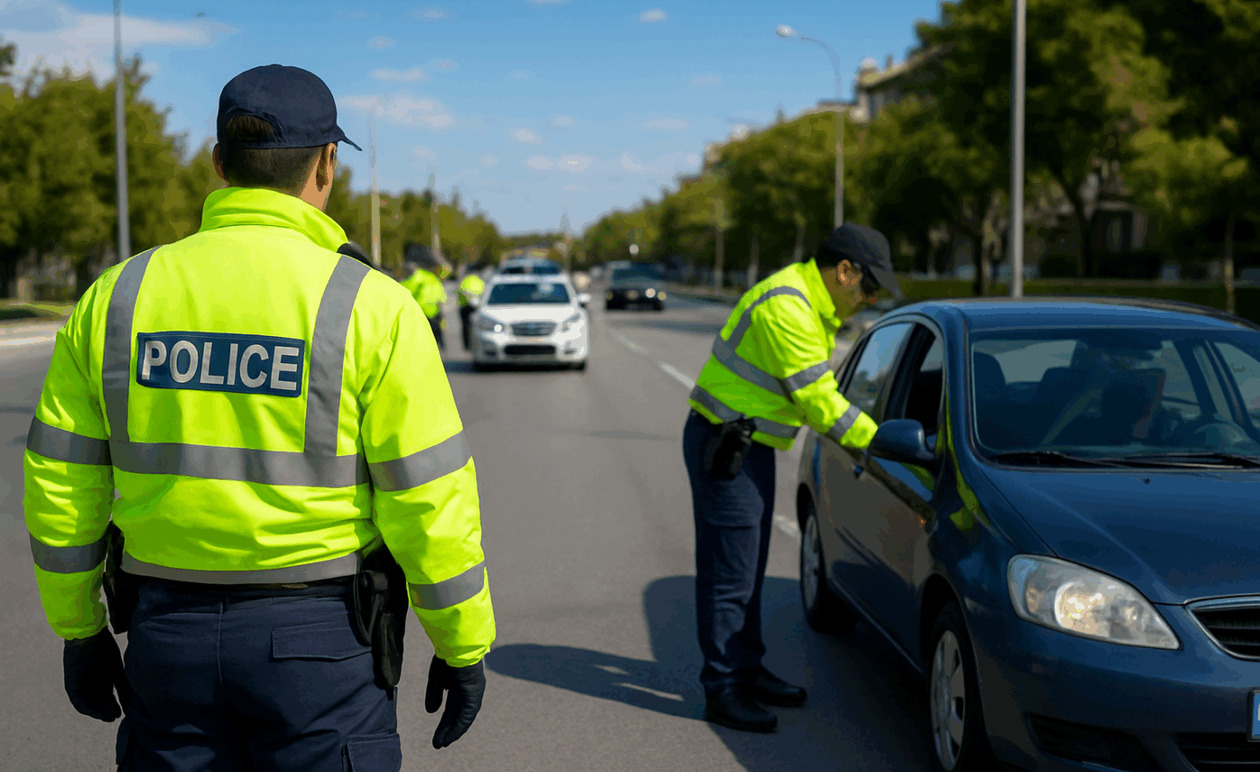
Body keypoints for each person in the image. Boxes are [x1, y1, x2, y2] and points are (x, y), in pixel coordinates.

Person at [23, 64, 495, 770]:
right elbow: (428, 500)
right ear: (328, 165)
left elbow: (61, 484)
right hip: (321, 644)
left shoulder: (117, 296)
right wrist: (462, 645)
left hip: (165, 637)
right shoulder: (372, 306)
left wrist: (79, 629)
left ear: (218, 163)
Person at [683, 223, 900, 733]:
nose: (869, 301)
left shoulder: (807, 301)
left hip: (747, 446)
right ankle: (722, 688)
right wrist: (884, 442)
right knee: (729, 576)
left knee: (748, 566)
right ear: (844, 272)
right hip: (726, 446)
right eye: (869, 288)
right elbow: (820, 403)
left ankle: (746, 668)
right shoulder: (788, 306)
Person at [399, 245, 450, 351]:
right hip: (433, 312)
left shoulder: (420, 276)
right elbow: (441, 293)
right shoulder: (433, 278)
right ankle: (439, 346)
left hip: (423, 313)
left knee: (424, 338)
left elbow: (406, 287)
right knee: (434, 336)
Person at [457, 265, 488, 351]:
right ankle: (475, 345)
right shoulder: (480, 281)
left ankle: (467, 345)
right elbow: (484, 293)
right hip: (477, 308)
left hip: (465, 306)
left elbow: (459, 291)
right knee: (477, 327)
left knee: (465, 327)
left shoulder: (465, 281)